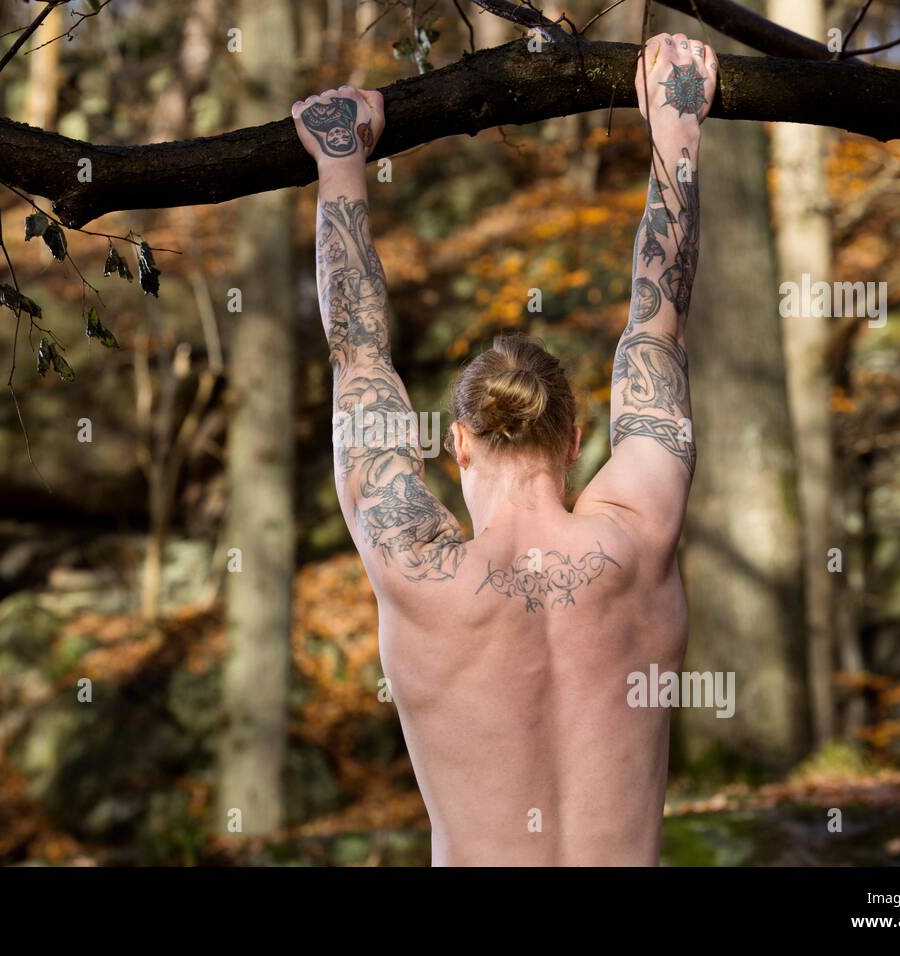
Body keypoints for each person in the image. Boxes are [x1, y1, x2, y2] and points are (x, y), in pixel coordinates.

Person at [291, 32, 718, 866]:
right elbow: (657, 322)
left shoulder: (418, 571)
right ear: (577, 438)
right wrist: (677, 125)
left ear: (456, 444)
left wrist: (340, 158)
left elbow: (358, 353)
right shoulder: (638, 535)